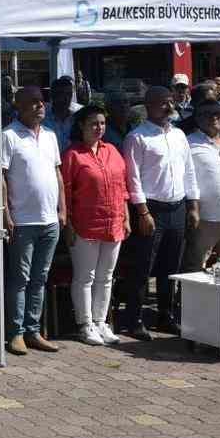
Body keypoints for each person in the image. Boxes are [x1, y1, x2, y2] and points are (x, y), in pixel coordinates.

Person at [120, 85, 199, 340]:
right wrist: (143, 212)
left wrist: (193, 205)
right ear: (148, 105)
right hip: (151, 209)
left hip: (177, 207)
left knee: (171, 267)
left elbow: (189, 172)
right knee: (143, 267)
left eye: (170, 102)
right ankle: (135, 320)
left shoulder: (178, 135)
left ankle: (165, 317)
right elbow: (132, 179)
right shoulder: (137, 137)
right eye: (162, 103)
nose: (168, 107)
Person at [0, 86, 65, 356]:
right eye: (33, 102)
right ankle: (15, 333)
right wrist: (6, 213)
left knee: (40, 278)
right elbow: (0, 178)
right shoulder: (8, 136)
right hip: (23, 221)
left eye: (42, 102)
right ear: (19, 106)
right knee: (20, 279)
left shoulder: (50, 135)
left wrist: (63, 210)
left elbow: (58, 174)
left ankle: (33, 330)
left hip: (50, 219)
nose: (40, 106)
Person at [61, 106, 127, 345]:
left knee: (106, 276)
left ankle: (100, 322)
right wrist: (67, 224)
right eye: (93, 124)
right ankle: (85, 323)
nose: (99, 128)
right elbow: (65, 191)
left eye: (101, 123)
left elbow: (122, 188)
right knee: (85, 277)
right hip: (84, 225)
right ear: (82, 126)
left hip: (113, 222)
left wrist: (126, 217)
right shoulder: (73, 155)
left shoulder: (112, 151)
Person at [184, 102, 220, 273]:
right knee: (195, 269)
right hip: (204, 219)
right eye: (207, 114)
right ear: (198, 119)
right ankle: (186, 300)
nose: (214, 117)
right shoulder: (189, 143)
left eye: (217, 113)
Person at [47, 78, 78, 153]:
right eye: (61, 94)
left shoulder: (77, 117)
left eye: (69, 94)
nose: (66, 98)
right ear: (52, 95)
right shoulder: (42, 119)